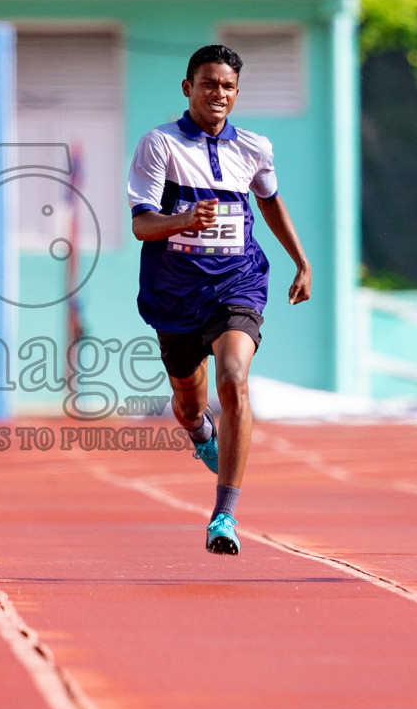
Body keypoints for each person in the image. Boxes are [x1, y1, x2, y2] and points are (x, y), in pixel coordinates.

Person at [126, 44, 312, 555]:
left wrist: (302, 261)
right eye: (208, 84)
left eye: (227, 86)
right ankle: (199, 433)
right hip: (176, 294)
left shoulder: (254, 147)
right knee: (189, 405)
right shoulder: (158, 145)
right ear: (188, 88)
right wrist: (182, 221)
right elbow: (142, 224)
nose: (218, 94)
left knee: (234, 379)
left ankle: (224, 515)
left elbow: (272, 205)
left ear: (236, 93)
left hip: (238, 282)